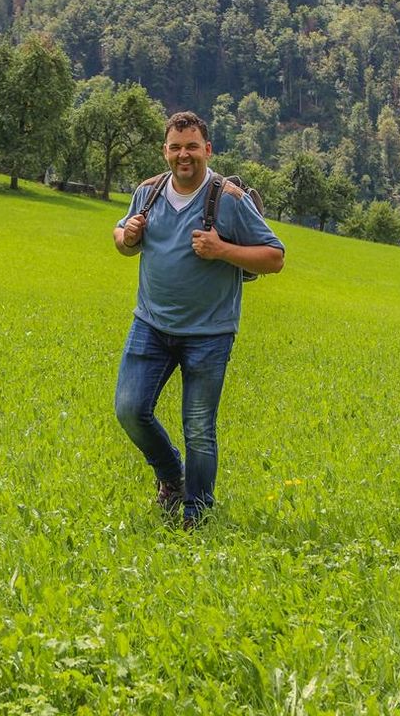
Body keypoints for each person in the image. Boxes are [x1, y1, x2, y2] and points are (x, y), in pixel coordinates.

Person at [113, 111, 285, 529]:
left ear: (207, 150)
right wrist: (127, 236)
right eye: (175, 147)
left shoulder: (228, 199)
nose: (183, 155)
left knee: (199, 428)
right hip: (151, 325)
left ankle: (197, 513)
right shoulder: (148, 193)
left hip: (209, 334)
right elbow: (120, 238)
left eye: (192, 146)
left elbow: (275, 257)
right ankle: (172, 476)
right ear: (165, 151)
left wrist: (222, 249)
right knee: (129, 409)